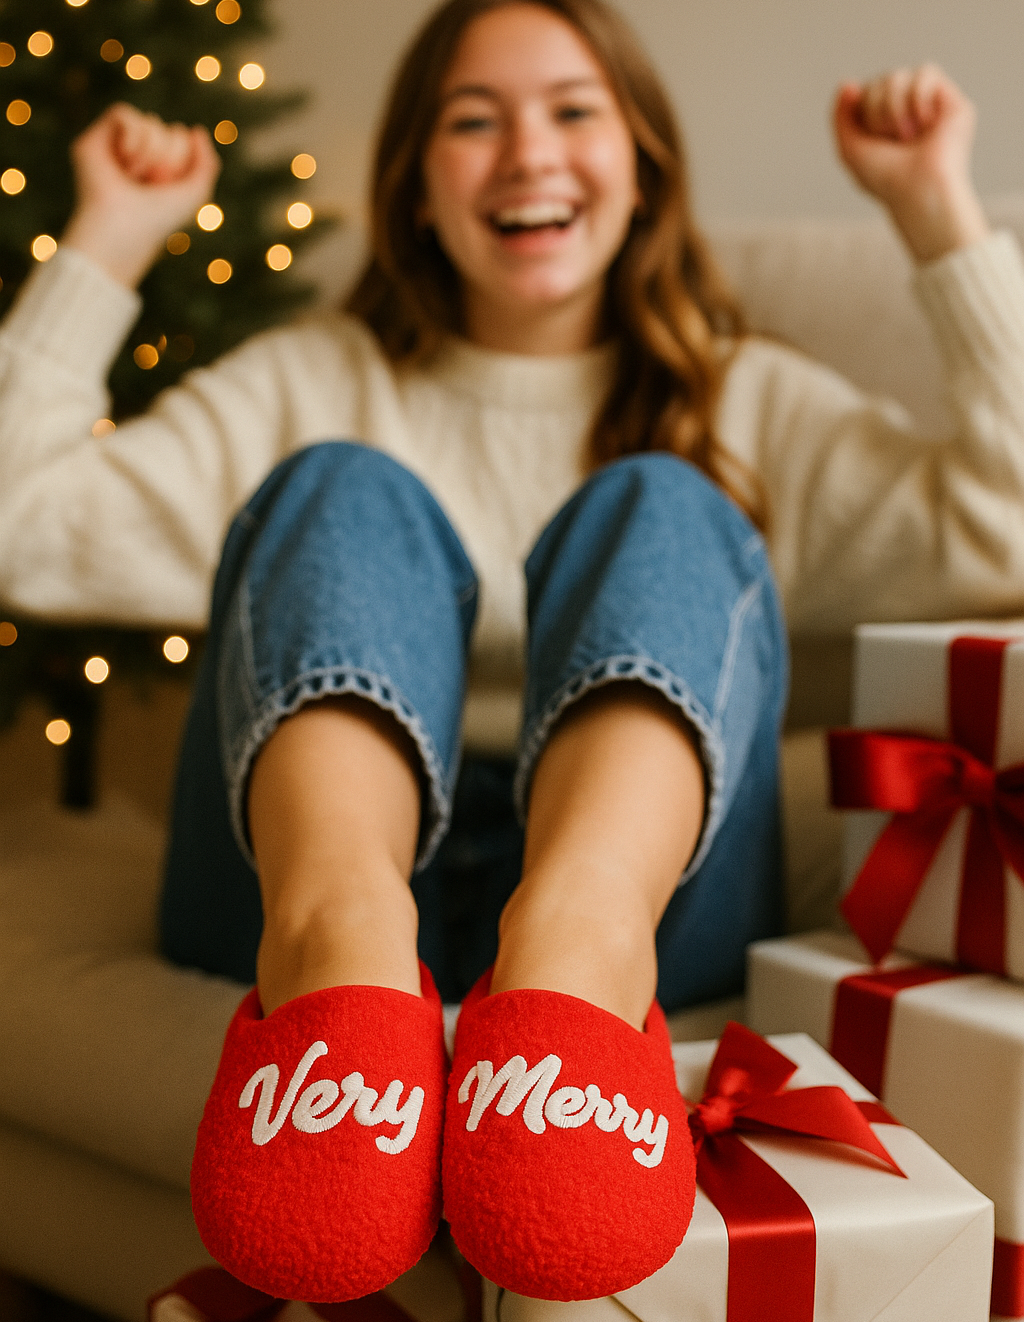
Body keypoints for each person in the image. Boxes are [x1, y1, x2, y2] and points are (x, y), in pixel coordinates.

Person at [1, 0, 1022, 1304]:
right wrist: (110, 233)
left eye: (574, 111)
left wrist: (936, 209)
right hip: (310, 871)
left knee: (666, 501)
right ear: (416, 188)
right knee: (341, 487)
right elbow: (19, 520)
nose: (529, 152)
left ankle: (580, 952)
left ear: (642, 166)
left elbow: (1011, 510)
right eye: (473, 122)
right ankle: (338, 948)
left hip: (642, 888)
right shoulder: (309, 378)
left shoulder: (746, 397)